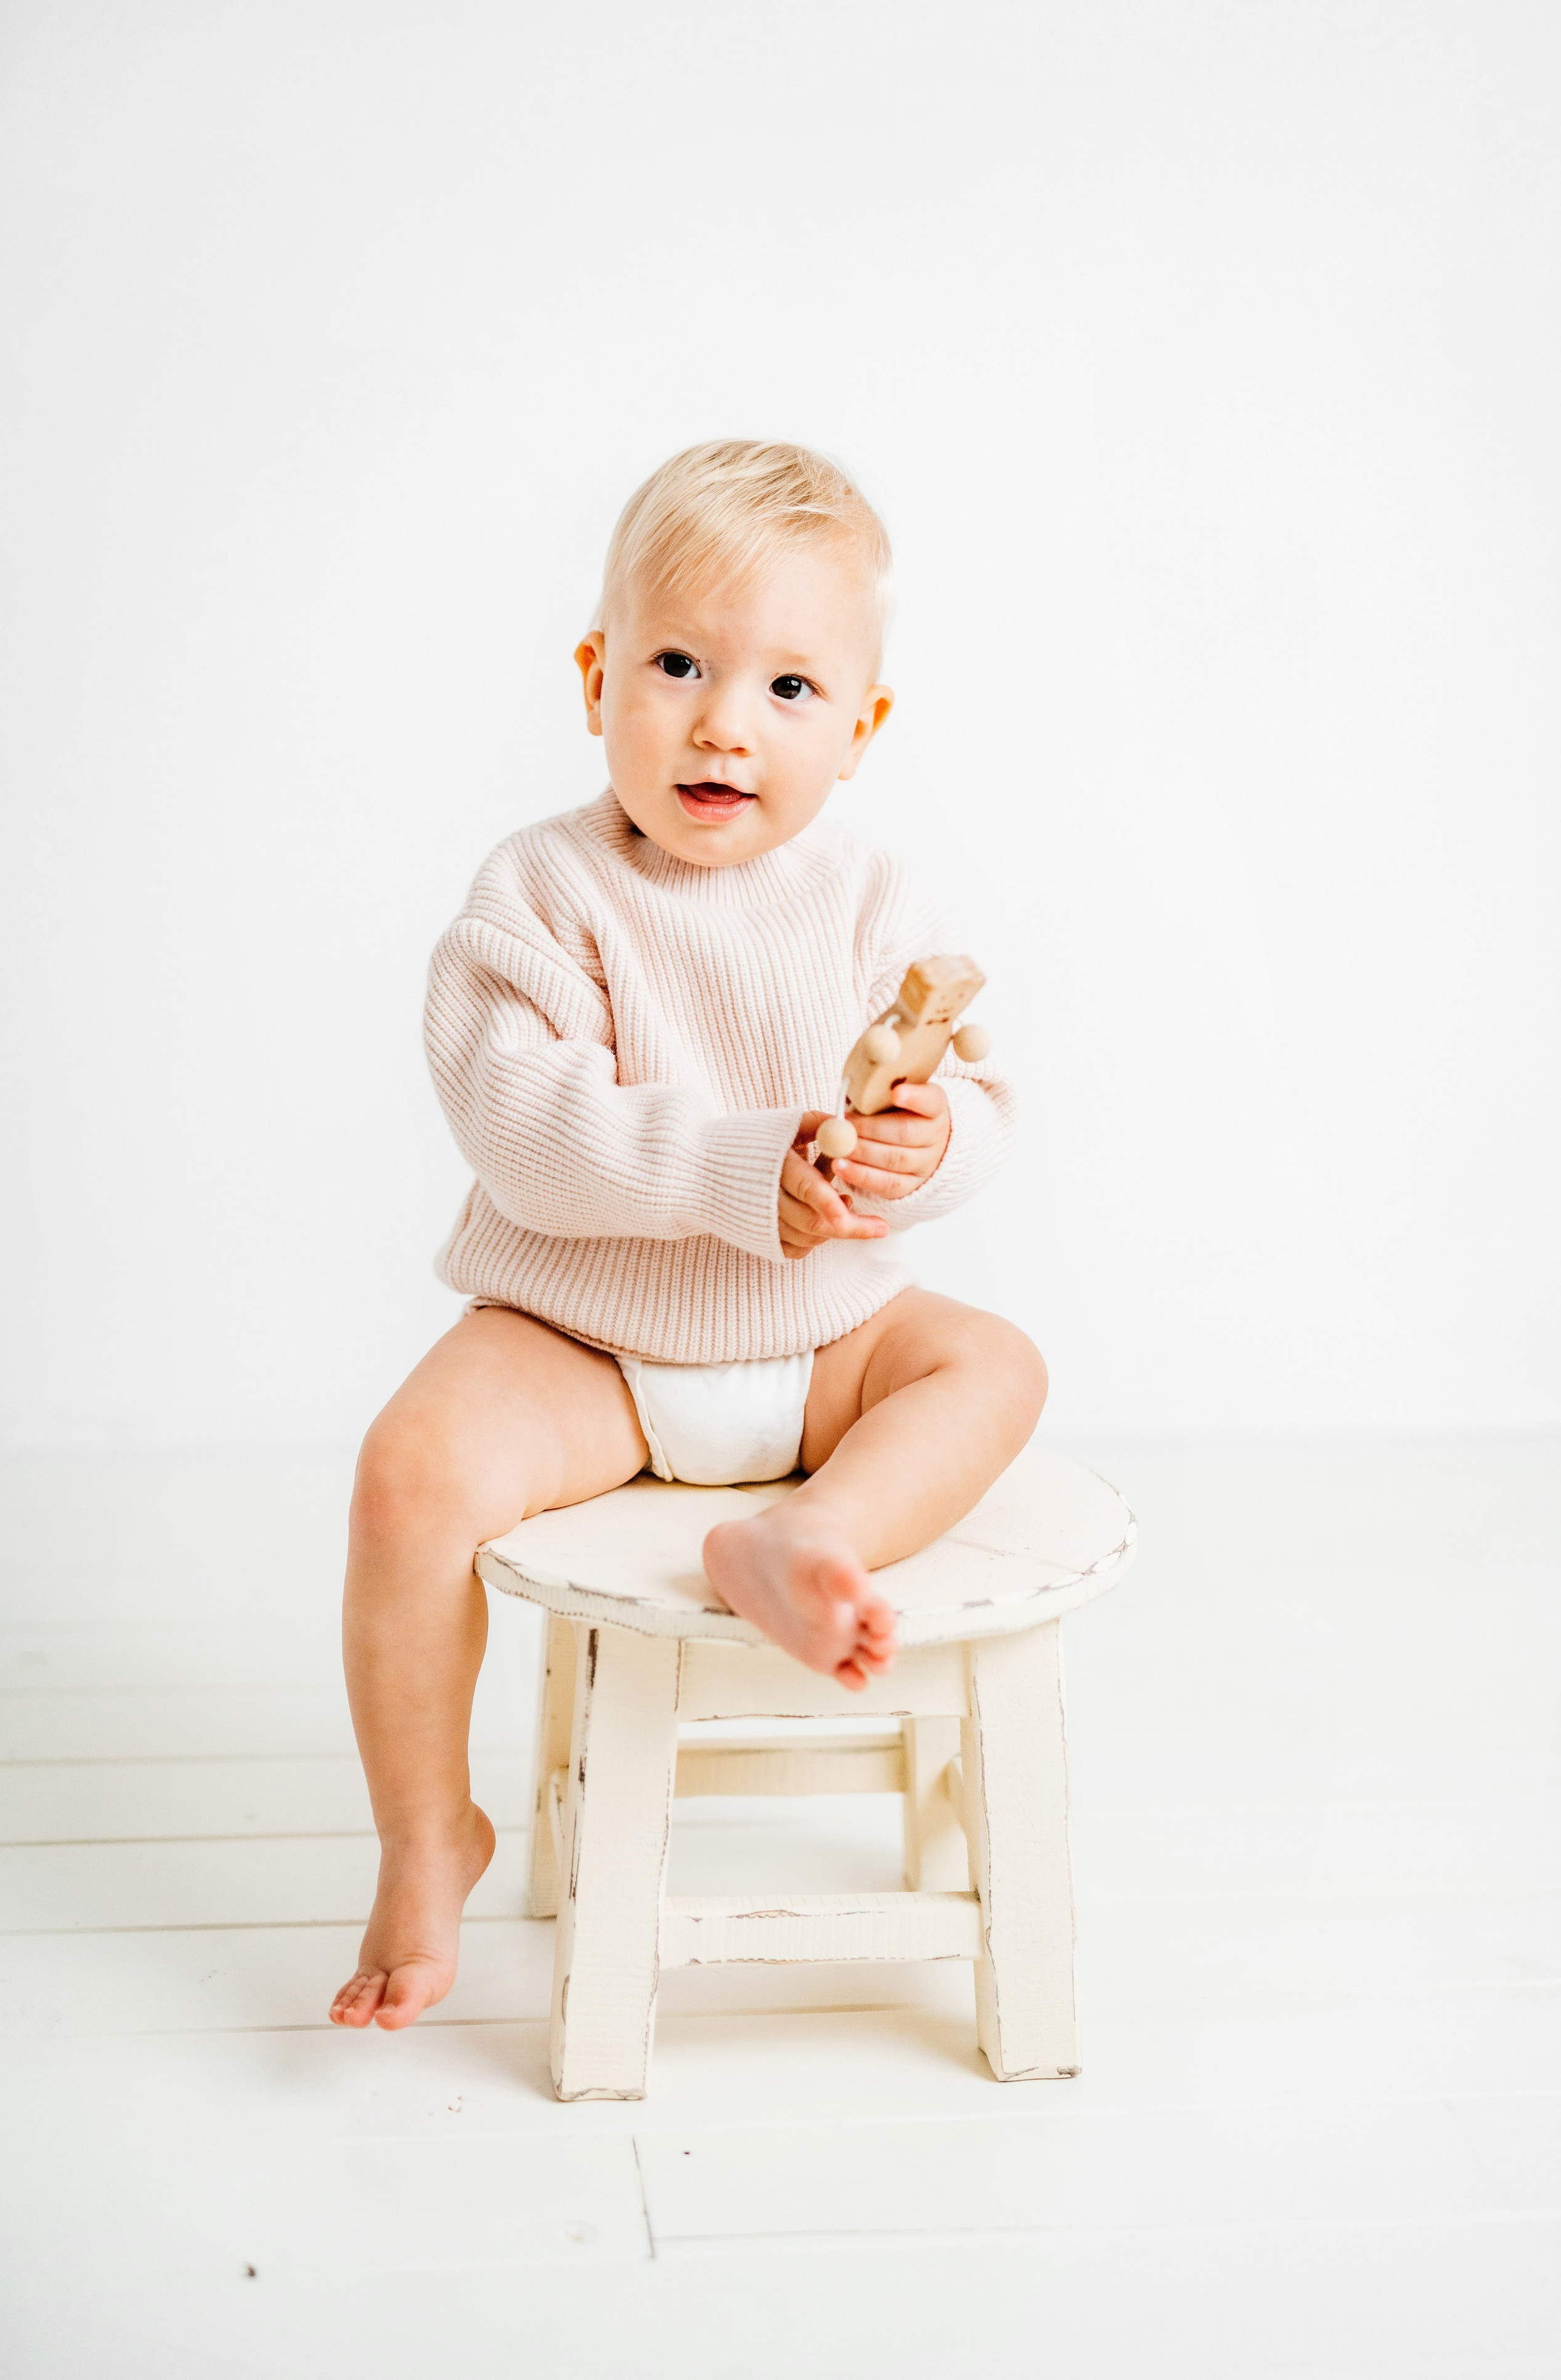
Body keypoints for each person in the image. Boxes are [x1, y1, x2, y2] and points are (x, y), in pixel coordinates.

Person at [331, 440, 1047, 2032]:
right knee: (404, 1475)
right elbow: (520, 1121)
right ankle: (423, 1830)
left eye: (790, 687)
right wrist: (739, 1168)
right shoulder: (542, 890)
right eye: (678, 664)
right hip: (583, 1336)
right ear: (596, 679)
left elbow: (974, 1093)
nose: (726, 719)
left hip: (820, 1350)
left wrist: (931, 1144)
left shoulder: (867, 899)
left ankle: (812, 1534)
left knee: (991, 1363)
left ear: (857, 732)